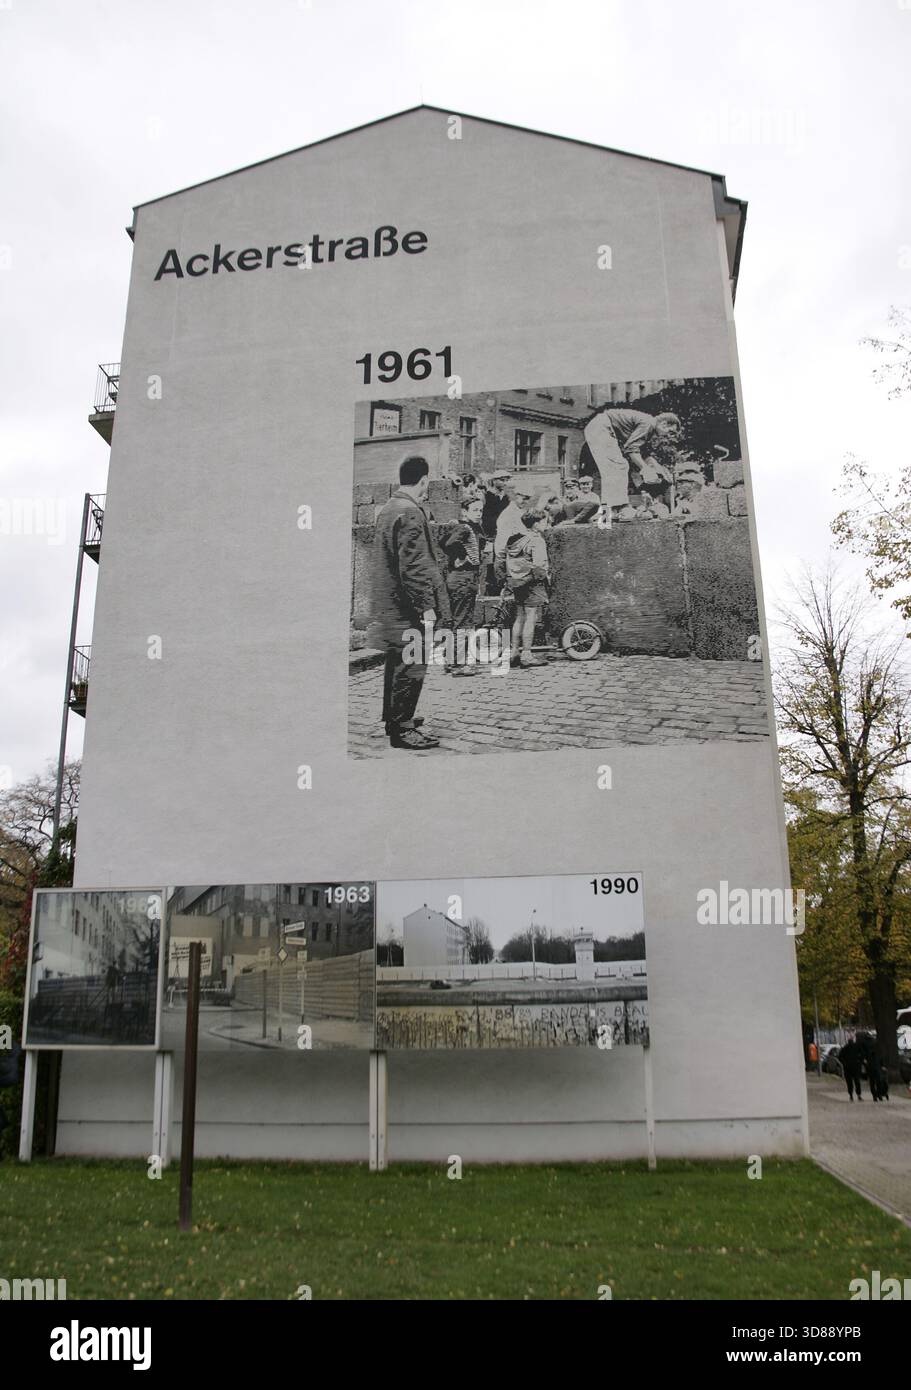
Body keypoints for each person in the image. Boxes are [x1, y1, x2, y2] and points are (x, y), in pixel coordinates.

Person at [367, 455, 450, 750]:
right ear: (424, 481)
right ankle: (402, 729)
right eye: (428, 484)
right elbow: (414, 568)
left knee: (397, 663)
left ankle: (394, 719)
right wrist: (426, 607)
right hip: (406, 607)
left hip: (390, 603)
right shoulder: (411, 512)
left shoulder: (389, 508)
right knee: (412, 664)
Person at [580, 406, 681, 511]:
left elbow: (642, 453)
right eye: (671, 432)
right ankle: (618, 507)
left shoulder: (648, 428)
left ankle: (610, 512)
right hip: (601, 427)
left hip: (600, 427)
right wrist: (646, 469)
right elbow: (631, 450)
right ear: (664, 424)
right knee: (618, 466)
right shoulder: (649, 423)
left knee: (612, 469)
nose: (669, 436)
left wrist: (656, 468)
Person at [441, 494, 484, 676]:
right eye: (475, 510)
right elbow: (447, 543)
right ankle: (461, 664)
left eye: (481, 510)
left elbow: (442, 541)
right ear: (464, 511)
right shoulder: (465, 528)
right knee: (464, 622)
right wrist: (460, 556)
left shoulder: (465, 526)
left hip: (461, 578)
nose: (479, 513)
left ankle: (451, 660)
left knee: (459, 620)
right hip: (463, 578)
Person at [506, 508, 550, 668]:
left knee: (519, 617)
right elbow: (539, 566)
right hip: (532, 583)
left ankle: (514, 652)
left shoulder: (515, 539)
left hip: (517, 582)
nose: (546, 524)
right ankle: (527, 654)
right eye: (544, 521)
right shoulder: (537, 540)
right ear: (536, 523)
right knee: (531, 618)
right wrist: (542, 576)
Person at [838, 1034, 864, 1101]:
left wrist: (844, 1063)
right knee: (857, 1081)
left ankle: (851, 1095)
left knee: (849, 1082)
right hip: (856, 1067)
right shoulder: (857, 1047)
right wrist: (860, 1062)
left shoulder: (845, 1048)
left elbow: (840, 1057)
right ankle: (859, 1095)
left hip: (847, 1067)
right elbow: (862, 1055)